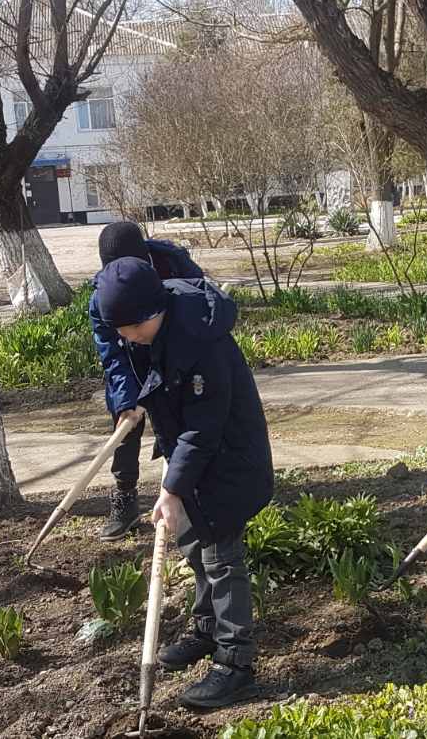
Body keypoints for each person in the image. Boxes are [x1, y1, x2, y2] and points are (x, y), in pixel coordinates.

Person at [92, 258, 272, 709]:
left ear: (152, 314)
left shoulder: (202, 341)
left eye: (129, 329)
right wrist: (129, 400)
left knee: (221, 555)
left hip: (230, 459)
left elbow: (204, 428)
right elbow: (143, 377)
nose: (124, 338)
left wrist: (170, 490)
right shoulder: (153, 328)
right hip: (192, 458)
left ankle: (236, 664)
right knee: (194, 543)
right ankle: (207, 631)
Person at [89, 222, 205, 540]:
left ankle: (189, 502)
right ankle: (125, 500)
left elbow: (200, 319)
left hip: (178, 360)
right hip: (132, 363)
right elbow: (111, 353)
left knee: (184, 431)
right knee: (125, 425)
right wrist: (129, 400)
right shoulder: (103, 293)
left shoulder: (174, 267)